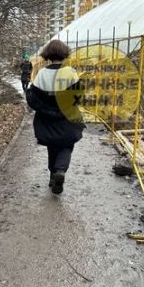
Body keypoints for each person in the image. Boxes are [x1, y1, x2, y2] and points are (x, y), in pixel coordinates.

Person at [26, 40, 84, 195]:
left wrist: (45, 109)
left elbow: (33, 98)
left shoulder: (42, 73)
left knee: (52, 147)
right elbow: (78, 95)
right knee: (66, 145)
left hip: (47, 119)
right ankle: (60, 171)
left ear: (48, 55)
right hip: (67, 119)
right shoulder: (70, 72)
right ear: (64, 54)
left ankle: (53, 176)